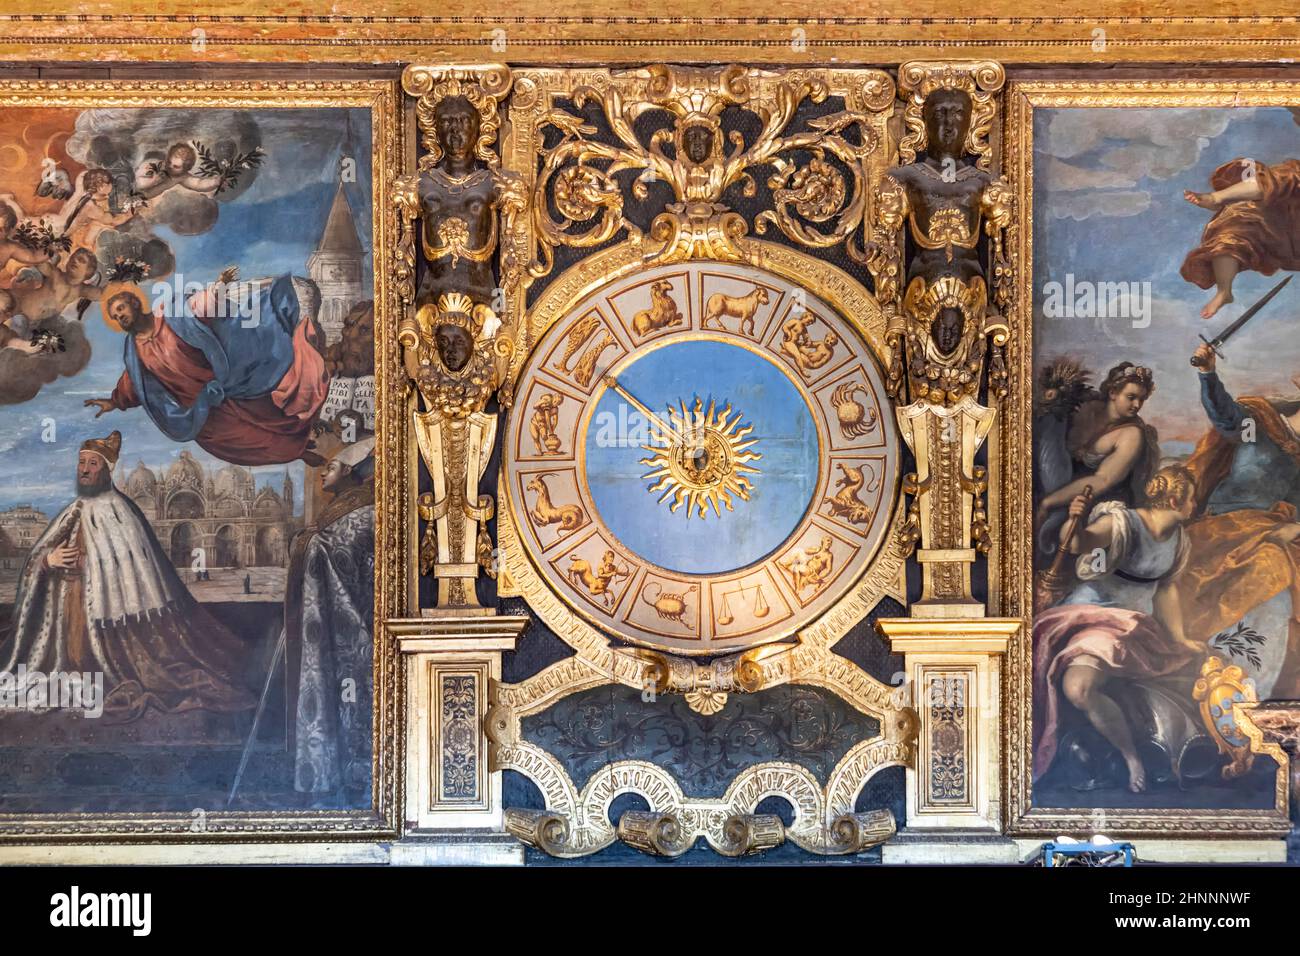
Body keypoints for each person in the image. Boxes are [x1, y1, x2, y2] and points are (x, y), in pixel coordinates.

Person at [0, 430, 255, 721]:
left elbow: (138, 572)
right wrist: (49, 559)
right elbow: (36, 559)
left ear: (107, 470)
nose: (84, 469)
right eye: (81, 463)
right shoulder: (74, 510)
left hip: (115, 630)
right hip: (68, 616)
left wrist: (95, 569)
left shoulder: (124, 513)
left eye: (92, 464)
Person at [1033, 466, 1209, 792]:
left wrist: (1180, 636)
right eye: (1192, 498)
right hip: (1094, 615)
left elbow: (1166, 590)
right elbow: (1079, 544)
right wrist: (1073, 522)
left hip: (1133, 625)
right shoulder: (1122, 522)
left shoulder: (1178, 540)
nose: (1196, 504)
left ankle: (1144, 751)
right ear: (1175, 499)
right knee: (1079, 688)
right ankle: (1130, 757)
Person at [83, 274, 330, 466]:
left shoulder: (170, 315)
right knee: (250, 443)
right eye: (116, 316)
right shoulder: (135, 351)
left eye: (121, 310)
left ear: (135, 303)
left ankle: (302, 441)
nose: (120, 318)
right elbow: (134, 382)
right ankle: (297, 453)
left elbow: (197, 308)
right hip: (202, 411)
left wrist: (217, 287)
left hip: (227, 386)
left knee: (272, 414)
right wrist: (114, 401)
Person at [285, 437, 374, 800]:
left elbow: (334, 550)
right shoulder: (341, 512)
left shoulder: (364, 512)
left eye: (332, 467)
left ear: (350, 473)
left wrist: (308, 543)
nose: (324, 472)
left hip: (356, 626)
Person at [1035, 362, 1160, 560]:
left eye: (1141, 399)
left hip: (1088, 499)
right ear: (1112, 393)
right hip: (1052, 480)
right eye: (1131, 397)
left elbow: (1102, 480)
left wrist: (1048, 502)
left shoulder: (1131, 434)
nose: (1137, 405)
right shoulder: (1085, 407)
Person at [1182, 157, 1300, 318]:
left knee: (1291, 175)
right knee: (1237, 220)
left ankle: (1217, 198)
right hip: (1288, 217)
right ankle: (1224, 291)